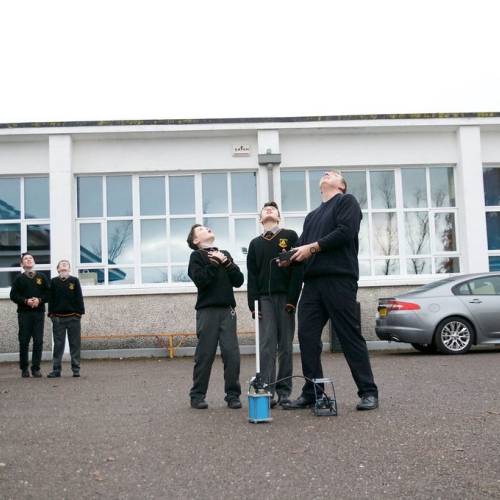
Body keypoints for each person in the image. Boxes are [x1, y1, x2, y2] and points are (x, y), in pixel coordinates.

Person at [282, 171, 379, 411]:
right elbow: (302, 247)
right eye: (325, 173)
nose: (327, 173)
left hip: (339, 279)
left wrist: (312, 248)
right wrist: (288, 258)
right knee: (306, 337)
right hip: (312, 284)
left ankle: (368, 392)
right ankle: (313, 392)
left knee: (348, 335)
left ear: (341, 185)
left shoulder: (347, 202)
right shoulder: (312, 216)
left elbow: (346, 232)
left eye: (333, 173)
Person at [246, 201, 303, 407]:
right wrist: (254, 305)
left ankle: (284, 392)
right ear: (260, 218)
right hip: (264, 300)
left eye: (273, 209)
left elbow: (298, 270)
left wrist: (292, 299)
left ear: (278, 216)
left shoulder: (290, 236)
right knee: (266, 346)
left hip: (285, 297)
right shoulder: (255, 244)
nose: (269, 210)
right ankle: (266, 390)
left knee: (285, 346)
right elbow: (252, 276)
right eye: (265, 209)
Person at [186, 224, 244, 410]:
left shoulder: (224, 253)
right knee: (205, 355)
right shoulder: (196, 256)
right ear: (196, 240)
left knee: (231, 354)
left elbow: (239, 280)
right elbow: (201, 280)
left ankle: (233, 395)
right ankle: (197, 396)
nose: (208, 228)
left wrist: (225, 262)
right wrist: (214, 262)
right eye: (201, 229)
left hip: (227, 311)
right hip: (207, 312)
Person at [9, 253, 50, 378]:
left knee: (38, 341)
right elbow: (13, 295)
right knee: (24, 341)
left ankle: (36, 368)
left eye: (30, 258)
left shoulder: (42, 277)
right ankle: (24, 368)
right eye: (25, 259)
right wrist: (26, 301)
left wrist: (39, 300)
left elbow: (48, 293)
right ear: (22, 264)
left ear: (34, 262)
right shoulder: (18, 279)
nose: (28, 260)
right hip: (24, 314)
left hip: (38, 313)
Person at [47, 260, 85, 378]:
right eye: (61, 265)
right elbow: (50, 299)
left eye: (66, 264)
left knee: (75, 344)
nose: (64, 266)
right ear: (58, 269)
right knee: (58, 345)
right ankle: (56, 369)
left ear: (69, 269)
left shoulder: (74, 281)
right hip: (58, 318)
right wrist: (51, 314)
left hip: (73, 318)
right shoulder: (53, 281)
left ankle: (76, 369)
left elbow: (79, 297)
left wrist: (79, 314)